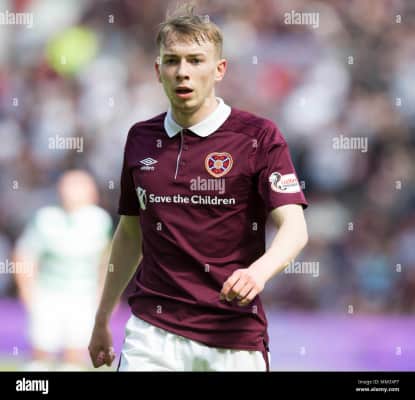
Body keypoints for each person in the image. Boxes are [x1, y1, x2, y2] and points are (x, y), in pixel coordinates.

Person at [88, 3, 308, 372]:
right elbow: (130, 233)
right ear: (158, 71)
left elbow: (295, 228)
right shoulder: (141, 138)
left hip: (233, 336)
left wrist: (258, 272)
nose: (182, 72)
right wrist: (101, 318)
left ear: (219, 69)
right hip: (152, 335)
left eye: (195, 60)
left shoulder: (258, 136)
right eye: (172, 61)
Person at [14, 170, 113, 371]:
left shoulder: (101, 221)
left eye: (78, 187)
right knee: (40, 351)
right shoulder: (45, 218)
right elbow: (24, 254)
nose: (71, 192)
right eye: (68, 186)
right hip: (47, 293)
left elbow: (107, 261)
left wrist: (106, 295)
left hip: (83, 296)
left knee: (74, 355)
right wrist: (27, 289)